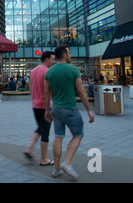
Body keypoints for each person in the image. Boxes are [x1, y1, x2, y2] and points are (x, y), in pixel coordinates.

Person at [44, 45, 94, 180]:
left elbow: (46, 92)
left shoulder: (49, 71)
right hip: (70, 108)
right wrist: (89, 110)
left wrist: (47, 110)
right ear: (64, 55)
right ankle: (67, 163)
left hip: (56, 109)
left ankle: (56, 169)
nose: (70, 55)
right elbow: (81, 91)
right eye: (69, 53)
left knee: (58, 136)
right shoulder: (73, 69)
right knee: (78, 134)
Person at [24, 51, 56, 166]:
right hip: (45, 105)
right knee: (45, 131)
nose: (54, 61)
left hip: (35, 104)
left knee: (40, 128)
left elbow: (30, 88)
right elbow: (50, 90)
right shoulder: (48, 72)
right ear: (46, 59)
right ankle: (44, 159)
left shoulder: (33, 71)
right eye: (52, 59)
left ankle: (29, 149)